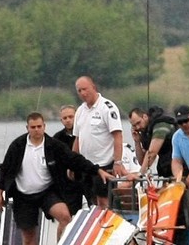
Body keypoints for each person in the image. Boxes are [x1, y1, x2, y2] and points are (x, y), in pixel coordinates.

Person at [0, 111, 113, 245]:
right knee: (28, 237)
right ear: (27, 128)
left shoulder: (53, 145)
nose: (36, 130)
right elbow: (5, 169)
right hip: (23, 195)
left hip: (46, 191)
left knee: (65, 215)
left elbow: (74, 159)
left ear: (44, 126)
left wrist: (97, 170)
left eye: (39, 127)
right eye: (33, 127)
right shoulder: (18, 145)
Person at [72, 76, 126, 209]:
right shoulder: (80, 111)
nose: (83, 93)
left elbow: (118, 135)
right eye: (79, 91)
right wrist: (72, 162)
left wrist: (118, 162)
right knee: (92, 202)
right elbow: (78, 138)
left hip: (104, 163)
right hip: (87, 166)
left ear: (93, 87)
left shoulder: (107, 108)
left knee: (104, 201)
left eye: (85, 89)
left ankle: (108, 227)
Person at [53, 104, 85, 214]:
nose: (68, 120)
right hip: (68, 181)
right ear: (61, 120)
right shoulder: (57, 139)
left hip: (86, 176)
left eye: (71, 117)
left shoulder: (86, 133)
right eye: (65, 118)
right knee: (71, 212)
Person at [128, 106, 176, 179]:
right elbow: (142, 161)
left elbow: (152, 153)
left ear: (145, 116)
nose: (137, 127)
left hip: (179, 165)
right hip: (166, 168)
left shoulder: (160, 126)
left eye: (138, 123)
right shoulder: (147, 131)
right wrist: (137, 142)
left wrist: (140, 174)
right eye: (134, 125)